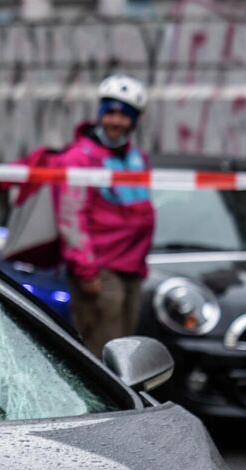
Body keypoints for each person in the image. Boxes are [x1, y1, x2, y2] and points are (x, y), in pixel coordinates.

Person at [20, 75, 158, 354]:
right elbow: (71, 219)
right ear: (100, 113)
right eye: (111, 113)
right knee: (104, 353)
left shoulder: (136, 157)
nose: (116, 121)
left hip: (132, 269)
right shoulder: (80, 158)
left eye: (125, 115)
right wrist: (86, 270)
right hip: (100, 271)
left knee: (127, 354)